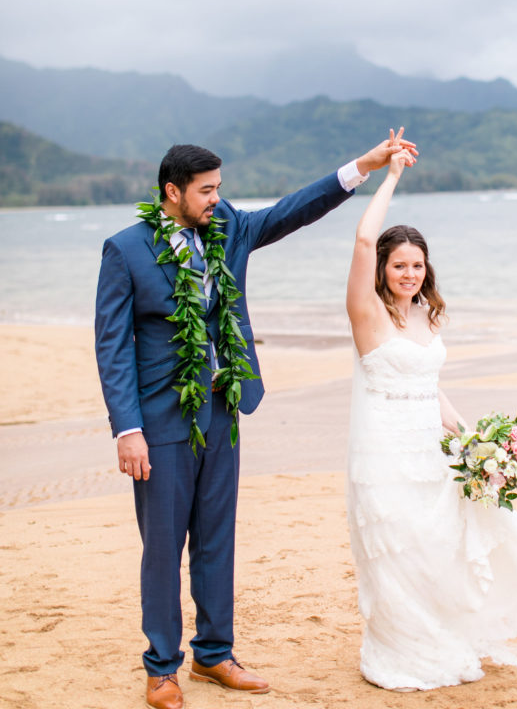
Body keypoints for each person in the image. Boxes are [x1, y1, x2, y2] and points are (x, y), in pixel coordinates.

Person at [95, 130, 416, 709]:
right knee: (163, 547)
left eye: (220, 187)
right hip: (160, 420)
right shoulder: (126, 250)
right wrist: (127, 429)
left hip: (223, 410)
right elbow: (112, 347)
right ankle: (162, 667)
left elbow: (294, 210)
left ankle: (215, 655)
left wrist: (363, 166)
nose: (217, 198)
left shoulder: (230, 230)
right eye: (206, 190)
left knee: (217, 539)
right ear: (172, 192)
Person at [345, 149, 517, 692]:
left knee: (439, 546)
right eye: (398, 264)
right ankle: (399, 650)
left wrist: (474, 439)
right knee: (398, 548)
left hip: (431, 447)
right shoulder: (368, 313)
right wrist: (391, 175)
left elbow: (428, 387)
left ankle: (441, 635)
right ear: (381, 268)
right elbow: (359, 240)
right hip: (384, 452)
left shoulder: (424, 314)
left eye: (417, 265)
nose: (409, 273)